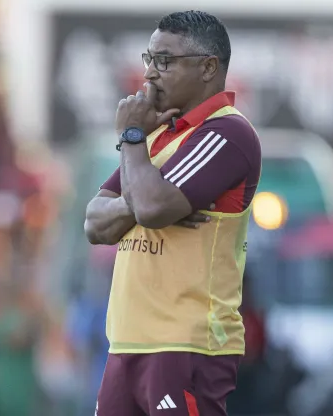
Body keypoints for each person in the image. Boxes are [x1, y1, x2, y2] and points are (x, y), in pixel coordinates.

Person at [84, 10, 261, 416]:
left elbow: (149, 207)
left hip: (187, 345)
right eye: (148, 59)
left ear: (208, 68)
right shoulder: (160, 138)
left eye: (164, 61)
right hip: (126, 343)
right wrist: (145, 200)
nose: (148, 74)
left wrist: (131, 138)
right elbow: (95, 223)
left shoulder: (228, 133)